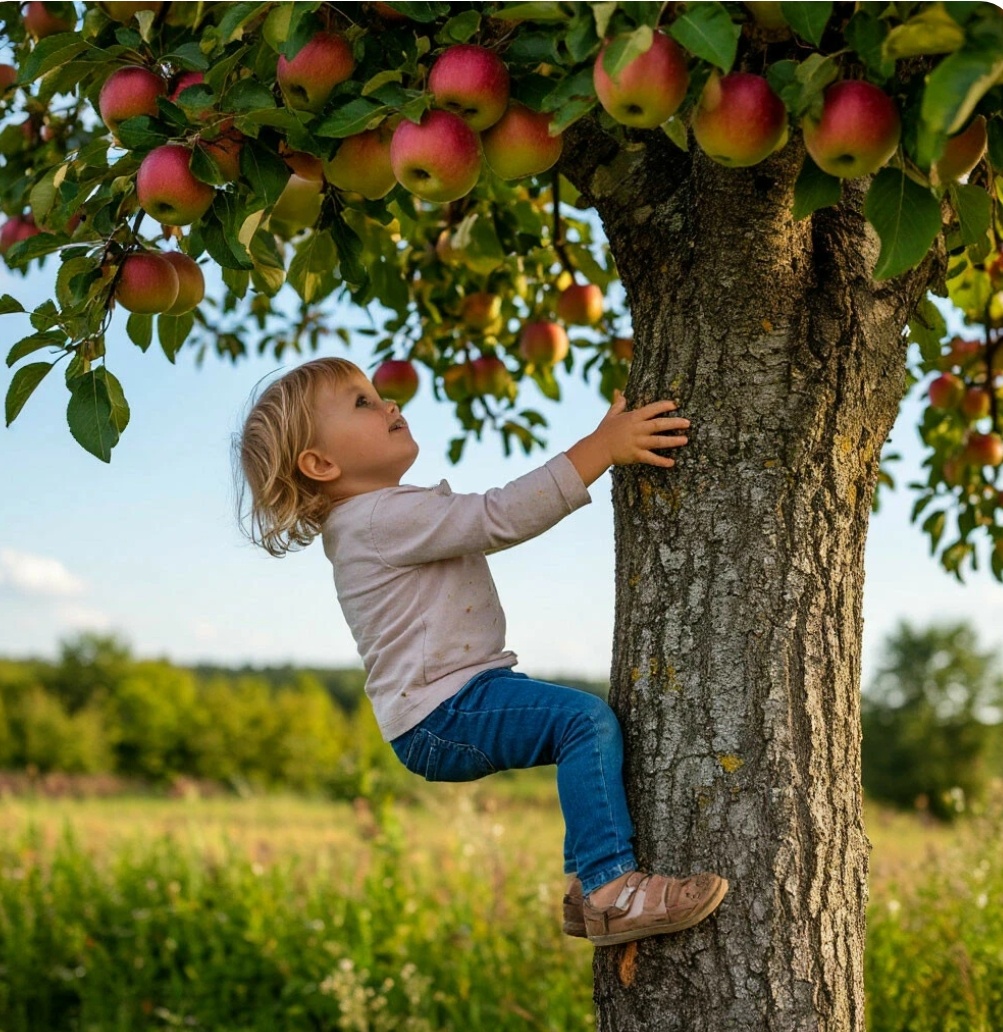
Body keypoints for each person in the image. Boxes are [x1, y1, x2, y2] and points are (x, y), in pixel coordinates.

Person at [235, 356, 728, 946]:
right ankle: (609, 890)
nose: (389, 403)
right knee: (584, 723)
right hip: (445, 711)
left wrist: (604, 440)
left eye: (377, 393)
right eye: (362, 403)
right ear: (320, 463)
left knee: (580, 722)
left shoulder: (375, 517)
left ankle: (586, 889)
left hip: (452, 704)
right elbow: (499, 515)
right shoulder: (377, 520)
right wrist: (601, 448)